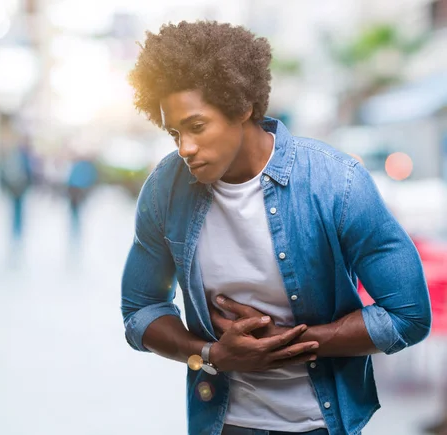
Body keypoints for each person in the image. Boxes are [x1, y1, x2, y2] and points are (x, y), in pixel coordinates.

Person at [120, 21, 431, 435]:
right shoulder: (166, 189)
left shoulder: (337, 184)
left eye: (197, 127)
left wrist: (290, 343)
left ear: (241, 106)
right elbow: (140, 310)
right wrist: (212, 355)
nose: (185, 148)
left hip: (320, 422)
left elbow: (408, 315)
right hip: (223, 422)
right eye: (174, 132)